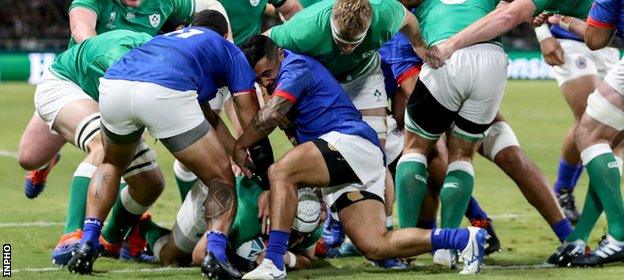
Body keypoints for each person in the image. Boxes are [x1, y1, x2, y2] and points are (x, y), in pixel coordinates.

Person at [235, 35, 487, 279]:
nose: (266, 82)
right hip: (350, 159)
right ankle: (464, 239)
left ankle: (273, 263)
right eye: (259, 80)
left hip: (352, 143)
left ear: (280, 54)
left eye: (268, 74)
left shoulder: (295, 66)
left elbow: (269, 116)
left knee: (280, 171)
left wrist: (239, 145)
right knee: (376, 245)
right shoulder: (280, 77)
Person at [66, 19, 261, 278]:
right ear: (226, 34)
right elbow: (251, 117)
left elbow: (210, 118)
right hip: (164, 89)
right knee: (220, 176)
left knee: (112, 163)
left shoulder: (169, 40)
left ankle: (88, 240)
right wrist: (259, 161)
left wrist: (235, 149)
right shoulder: (227, 49)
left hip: (115, 84)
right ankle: (215, 254)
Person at [19, 0, 231, 199]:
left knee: (121, 158)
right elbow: (81, 31)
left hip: (126, 90)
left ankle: (116, 224)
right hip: (81, 83)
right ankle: (49, 161)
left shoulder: (166, 2)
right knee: (29, 158)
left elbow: (210, 6)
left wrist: (226, 43)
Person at [539, 4, 624, 266]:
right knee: (607, 135)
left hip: (602, 41)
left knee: (591, 131)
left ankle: (618, 236)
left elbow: (595, 38)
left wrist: (560, 19)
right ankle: (581, 235)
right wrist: (547, 31)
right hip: (578, 44)